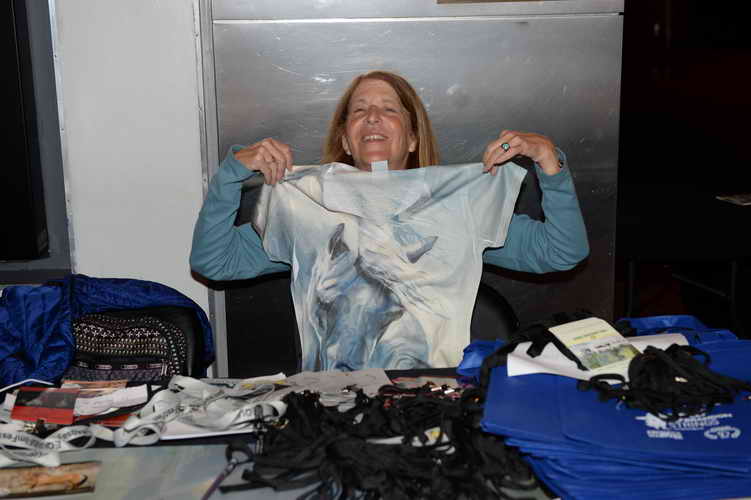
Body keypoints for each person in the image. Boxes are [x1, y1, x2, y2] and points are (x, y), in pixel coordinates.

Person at [190, 70, 588, 370]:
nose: (373, 117)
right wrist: (231, 174)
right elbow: (215, 262)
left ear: (413, 138)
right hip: (336, 405)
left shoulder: (457, 207)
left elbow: (560, 252)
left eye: (389, 109)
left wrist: (548, 161)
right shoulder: (306, 211)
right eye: (360, 110)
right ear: (345, 140)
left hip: (431, 402)